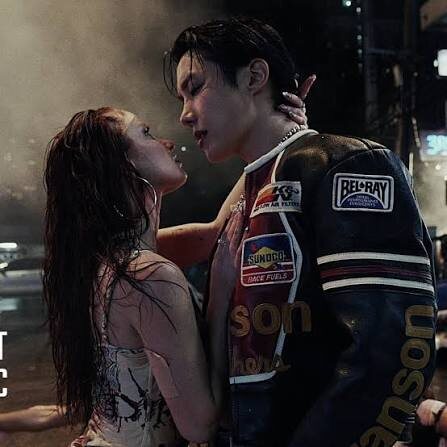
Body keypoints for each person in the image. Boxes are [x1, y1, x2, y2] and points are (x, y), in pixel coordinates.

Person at [161, 16, 437, 447]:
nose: (184, 114)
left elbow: (391, 351)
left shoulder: (347, 165)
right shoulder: (250, 193)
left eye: (195, 88)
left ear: (255, 76)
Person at [0, 97, 309, 445]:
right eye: (146, 133)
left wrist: (278, 139)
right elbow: (200, 426)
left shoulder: (114, 259)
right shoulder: (146, 276)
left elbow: (217, 233)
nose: (167, 142)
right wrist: (220, 297)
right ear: (122, 167)